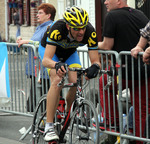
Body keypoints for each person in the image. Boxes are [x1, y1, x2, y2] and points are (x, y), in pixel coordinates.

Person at [42, 6, 100, 142]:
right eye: (76, 28)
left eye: (83, 28)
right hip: (51, 53)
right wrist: (56, 64)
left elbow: (96, 60)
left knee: (76, 79)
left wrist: (95, 67)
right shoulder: (57, 29)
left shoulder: (90, 32)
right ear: (68, 26)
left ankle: (69, 115)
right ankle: (49, 126)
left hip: (70, 53)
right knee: (57, 79)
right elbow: (46, 60)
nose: (81, 32)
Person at [98, 0, 149, 143]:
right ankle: (140, 140)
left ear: (119, 1)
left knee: (103, 84)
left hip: (123, 71)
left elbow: (107, 46)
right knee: (141, 109)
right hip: (143, 71)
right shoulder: (141, 15)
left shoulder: (112, 16)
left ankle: (112, 122)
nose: (105, 2)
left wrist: (91, 46)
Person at [17, 3, 56, 112]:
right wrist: (24, 42)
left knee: (44, 99)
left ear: (48, 16)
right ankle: (38, 123)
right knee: (34, 102)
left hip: (44, 70)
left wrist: (27, 41)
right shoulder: (40, 27)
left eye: (40, 13)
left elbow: (42, 43)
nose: (37, 15)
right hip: (36, 69)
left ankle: (46, 122)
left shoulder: (51, 27)